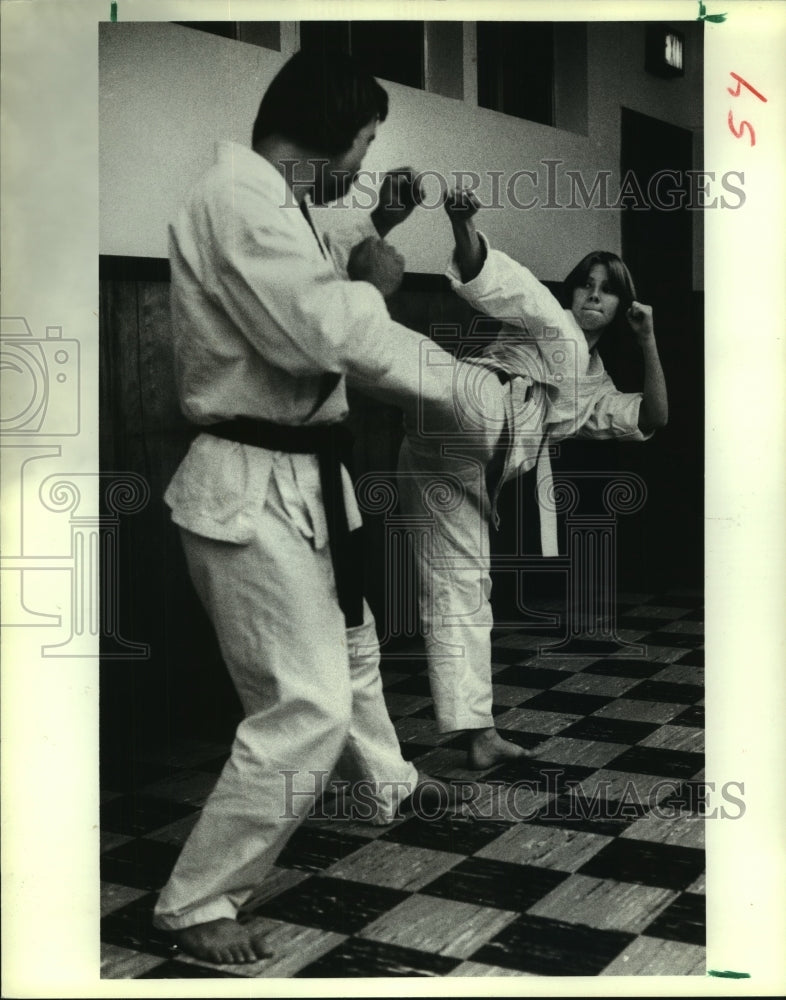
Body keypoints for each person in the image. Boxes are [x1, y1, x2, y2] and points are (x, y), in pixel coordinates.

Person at [152, 51, 467, 965]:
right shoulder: (238, 200)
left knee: (356, 647)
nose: (362, 166)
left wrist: (374, 228)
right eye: (364, 146)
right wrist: (378, 281)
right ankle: (196, 902)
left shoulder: (268, 202)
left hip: (300, 479)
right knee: (307, 707)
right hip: (250, 487)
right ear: (329, 133)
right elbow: (319, 328)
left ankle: (386, 788)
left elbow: (298, 284)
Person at [398, 187, 668, 769]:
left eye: (609, 288)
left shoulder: (594, 388)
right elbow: (502, 284)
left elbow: (652, 417)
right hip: (476, 403)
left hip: (464, 470)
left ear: (623, 307)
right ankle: (350, 340)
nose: (593, 293)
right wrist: (464, 226)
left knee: (462, 592)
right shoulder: (551, 320)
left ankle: (478, 734)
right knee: (549, 326)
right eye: (586, 283)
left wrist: (648, 342)